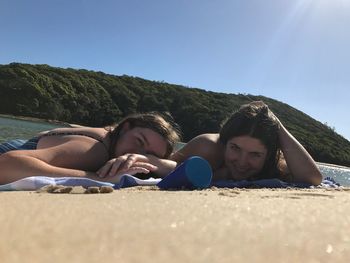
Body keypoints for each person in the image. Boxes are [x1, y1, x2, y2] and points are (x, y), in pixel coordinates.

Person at [0, 112, 181, 185]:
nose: (137, 155)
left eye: (150, 154)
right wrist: (96, 177)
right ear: (125, 128)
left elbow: (181, 168)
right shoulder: (95, 150)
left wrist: (153, 162)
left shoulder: (114, 142)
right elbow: (7, 164)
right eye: (139, 141)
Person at [170, 101, 322, 185]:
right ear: (225, 141)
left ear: (269, 156)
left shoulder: (275, 165)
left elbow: (313, 178)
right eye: (235, 148)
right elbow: (166, 167)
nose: (242, 163)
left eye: (255, 154)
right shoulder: (208, 147)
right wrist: (214, 174)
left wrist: (278, 126)